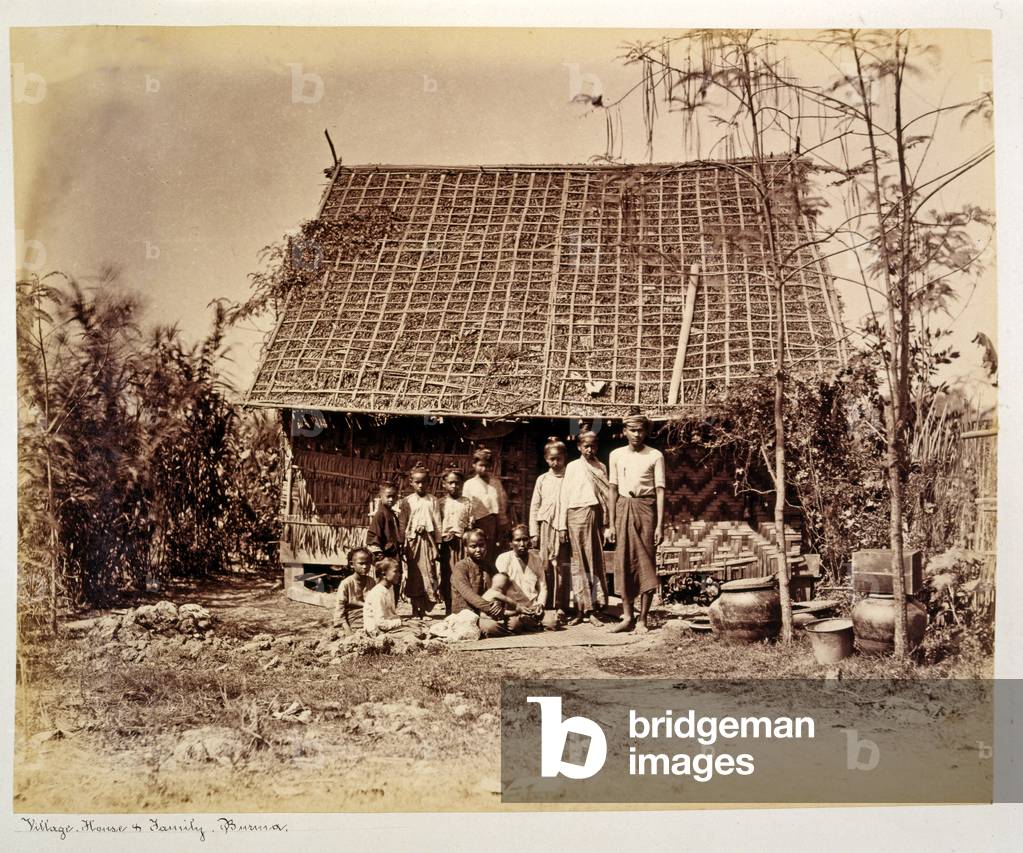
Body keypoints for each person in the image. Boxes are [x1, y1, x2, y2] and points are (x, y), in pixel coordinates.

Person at [606, 413, 665, 634]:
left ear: (646, 431)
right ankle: (628, 617)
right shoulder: (616, 455)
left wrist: (660, 525)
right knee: (623, 561)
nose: (637, 434)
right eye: (632, 430)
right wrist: (611, 524)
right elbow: (612, 490)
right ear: (624, 431)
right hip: (623, 507)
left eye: (640, 430)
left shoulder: (655, 455)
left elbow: (660, 491)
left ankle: (643, 619)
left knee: (646, 561)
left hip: (646, 509)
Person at [559, 430, 611, 627]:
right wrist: (562, 526)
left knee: (594, 561)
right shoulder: (572, 467)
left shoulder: (600, 467)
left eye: (593, 446)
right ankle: (581, 609)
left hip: (594, 516)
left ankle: (594, 610)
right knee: (577, 563)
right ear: (579, 447)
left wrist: (607, 525)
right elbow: (565, 495)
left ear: (597, 446)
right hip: (574, 516)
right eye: (585, 446)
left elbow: (606, 498)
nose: (589, 449)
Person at [529, 437, 571, 611]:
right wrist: (534, 531)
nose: (555, 462)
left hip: (564, 527)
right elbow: (535, 506)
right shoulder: (542, 479)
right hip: (546, 526)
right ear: (546, 459)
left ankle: (561, 605)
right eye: (551, 459)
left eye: (558, 458)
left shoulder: (569, 478)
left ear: (564, 457)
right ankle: (546, 604)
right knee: (545, 565)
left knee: (562, 566)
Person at [398, 463, 442, 619]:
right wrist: (403, 543)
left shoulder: (433, 501)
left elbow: (437, 523)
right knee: (414, 575)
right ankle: (415, 609)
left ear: (428, 482)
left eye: (424, 482)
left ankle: (423, 609)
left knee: (428, 574)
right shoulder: (407, 501)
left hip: (428, 543)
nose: (420, 485)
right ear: (411, 482)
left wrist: (438, 543)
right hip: (412, 544)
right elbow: (403, 524)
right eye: (417, 482)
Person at [462, 448, 509, 564]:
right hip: (477, 524)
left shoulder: (495, 483)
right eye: (481, 465)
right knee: (478, 551)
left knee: (493, 552)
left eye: (487, 466)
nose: (484, 469)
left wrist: (503, 524)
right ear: (474, 465)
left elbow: (502, 504)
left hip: (494, 524)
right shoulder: (469, 484)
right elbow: (466, 506)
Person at [438, 466, 473, 616]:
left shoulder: (467, 502)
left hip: (461, 544)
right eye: (451, 482)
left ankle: (462, 607)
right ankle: (449, 607)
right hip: (446, 545)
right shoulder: (440, 503)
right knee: (448, 575)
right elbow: (436, 524)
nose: (454, 486)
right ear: (444, 484)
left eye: (457, 483)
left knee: (462, 575)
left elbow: (470, 523)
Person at [496, 524, 548, 614]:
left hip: (532, 606)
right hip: (513, 607)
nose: (522, 544)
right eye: (517, 540)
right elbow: (500, 589)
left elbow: (542, 586)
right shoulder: (503, 559)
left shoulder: (536, 559)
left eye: (525, 539)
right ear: (511, 543)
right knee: (515, 624)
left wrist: (540, 604)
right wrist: (515, 607)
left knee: (552, 623)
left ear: (530, 541)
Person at [367, 482, 404, 606]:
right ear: (380, 496)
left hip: (394, 556)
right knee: (384, 584)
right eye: (388, 496)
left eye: (394, 496)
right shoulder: (380, 515)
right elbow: (373, 537)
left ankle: (392, 609)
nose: (391, 499)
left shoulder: (392, 514)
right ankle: (382, 609)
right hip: (386, 558)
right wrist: (381, 559)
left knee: (395, 582)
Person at [332, 547, 376, 634]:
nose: (365, 567)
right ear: (352, 564)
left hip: (371, 618)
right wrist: (349, 632)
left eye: (368, 563)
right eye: (361, 563)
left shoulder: (371, 581)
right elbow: (339, 612)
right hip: (354, 622)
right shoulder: (346, 584)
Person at [363, 558, 403, 636]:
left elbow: (391, 613)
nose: (399, 574)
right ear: (384, 574)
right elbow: (381, 624)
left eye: (399, 571)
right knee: (412, 633)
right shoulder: (378, 593)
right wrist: (400, 622)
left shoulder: (390, 588)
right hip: (376, 630)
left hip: (387, 625)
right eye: (395, 571)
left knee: (417, 628)